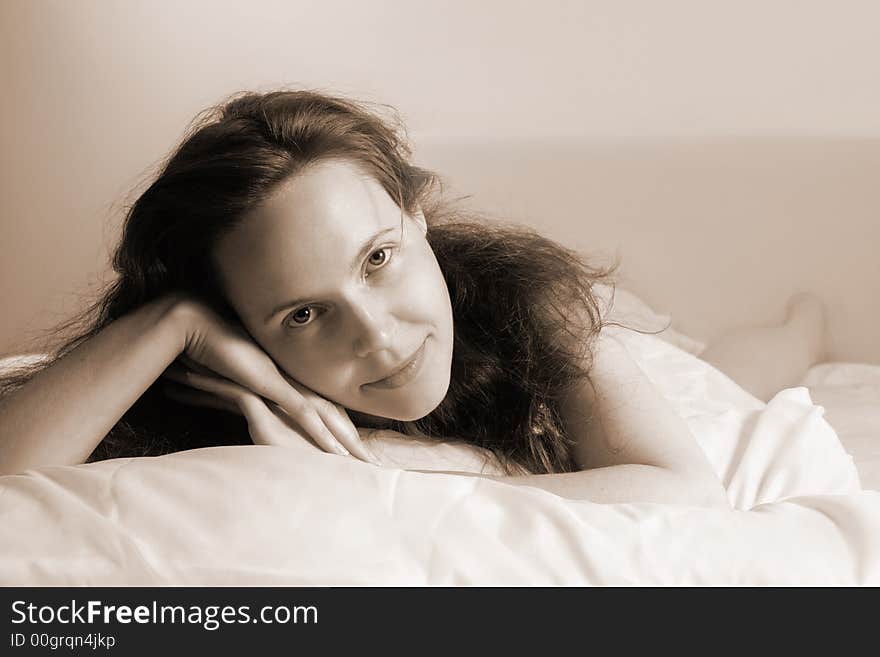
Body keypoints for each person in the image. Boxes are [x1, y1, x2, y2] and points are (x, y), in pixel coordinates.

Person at [0, 90, 826, 506]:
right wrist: (170, 321)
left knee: (733, 373)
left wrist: (413, 466)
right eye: (303, 312)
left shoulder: (535, 304)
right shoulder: (219, 381)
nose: (378, 334)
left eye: (380, 257)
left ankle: (800, 331)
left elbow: (682, 492)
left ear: (418, 213)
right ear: (238, 329)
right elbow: (11, 474)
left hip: (593, 365)